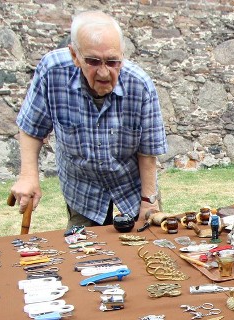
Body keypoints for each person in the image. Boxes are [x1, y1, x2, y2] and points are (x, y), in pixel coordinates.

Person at [11, 11, 167, 229]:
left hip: (130, 187)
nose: (104, 72)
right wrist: (28, 175)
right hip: (82, 190)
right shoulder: (52, 72)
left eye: (112, 62)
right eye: (93, 61)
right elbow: (32, 127)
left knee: (147, 250)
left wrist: (148, 202)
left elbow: (148, 152)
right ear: (75, 55)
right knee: (83, 255)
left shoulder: (139, 85)